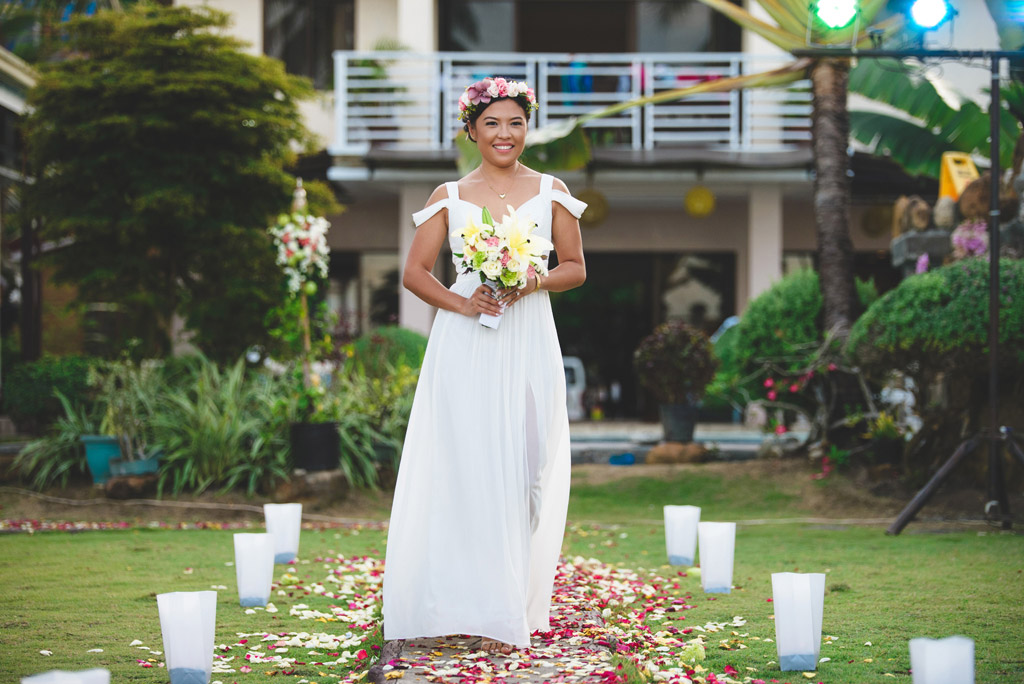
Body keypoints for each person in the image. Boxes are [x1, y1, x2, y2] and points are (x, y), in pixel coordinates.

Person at [381, 76, 588, 656]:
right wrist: (464, 301)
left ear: (528, 129)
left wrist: (534, 279)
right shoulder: (447, 194)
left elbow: (575, 267)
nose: (505, 134)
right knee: (466, 466)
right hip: (465, 342)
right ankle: (466, 603)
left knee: (527, 469)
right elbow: (416, 274)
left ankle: (508, 599)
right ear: (471, 130)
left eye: (515, 123)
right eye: (492, 123)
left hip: (529, 338)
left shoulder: (552, 190)